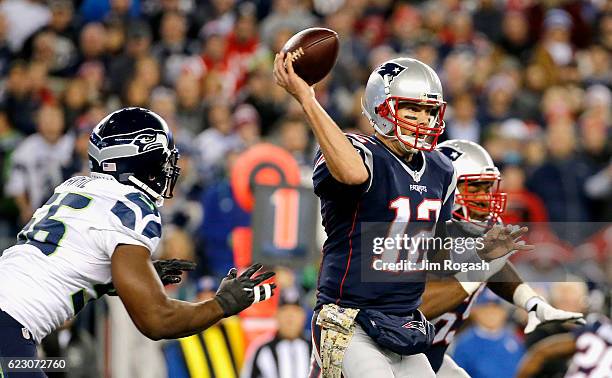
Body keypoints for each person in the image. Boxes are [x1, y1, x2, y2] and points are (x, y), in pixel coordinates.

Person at [274, 52, 530, 377]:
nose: (423, 119)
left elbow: (436, 252)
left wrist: (481, 258)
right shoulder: (357, 150)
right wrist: (307, 99)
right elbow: (353, 173)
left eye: (429, 110)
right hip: (349, 318)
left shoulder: (441, 168)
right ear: (381, 108)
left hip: (403, 321)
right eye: (412, 108)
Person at [0, 107, 276, 366]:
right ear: (142, 159)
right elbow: (157, 321)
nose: (168, 168)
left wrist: (120, 278)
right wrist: (222, 305)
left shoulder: (75, 185)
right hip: (10, 324)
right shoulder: (133, 207)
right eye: (163, 159)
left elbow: (63, 262)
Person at [419, 139, 583, 377]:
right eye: (474, 188)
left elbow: (495, 268)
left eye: (487, 188)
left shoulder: (475, 230)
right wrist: (479, 266)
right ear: (443, 188)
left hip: (432, 355)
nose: (484, 198)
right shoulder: (420, 232)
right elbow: (417, 308)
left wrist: (530, 302)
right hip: (394, 353)